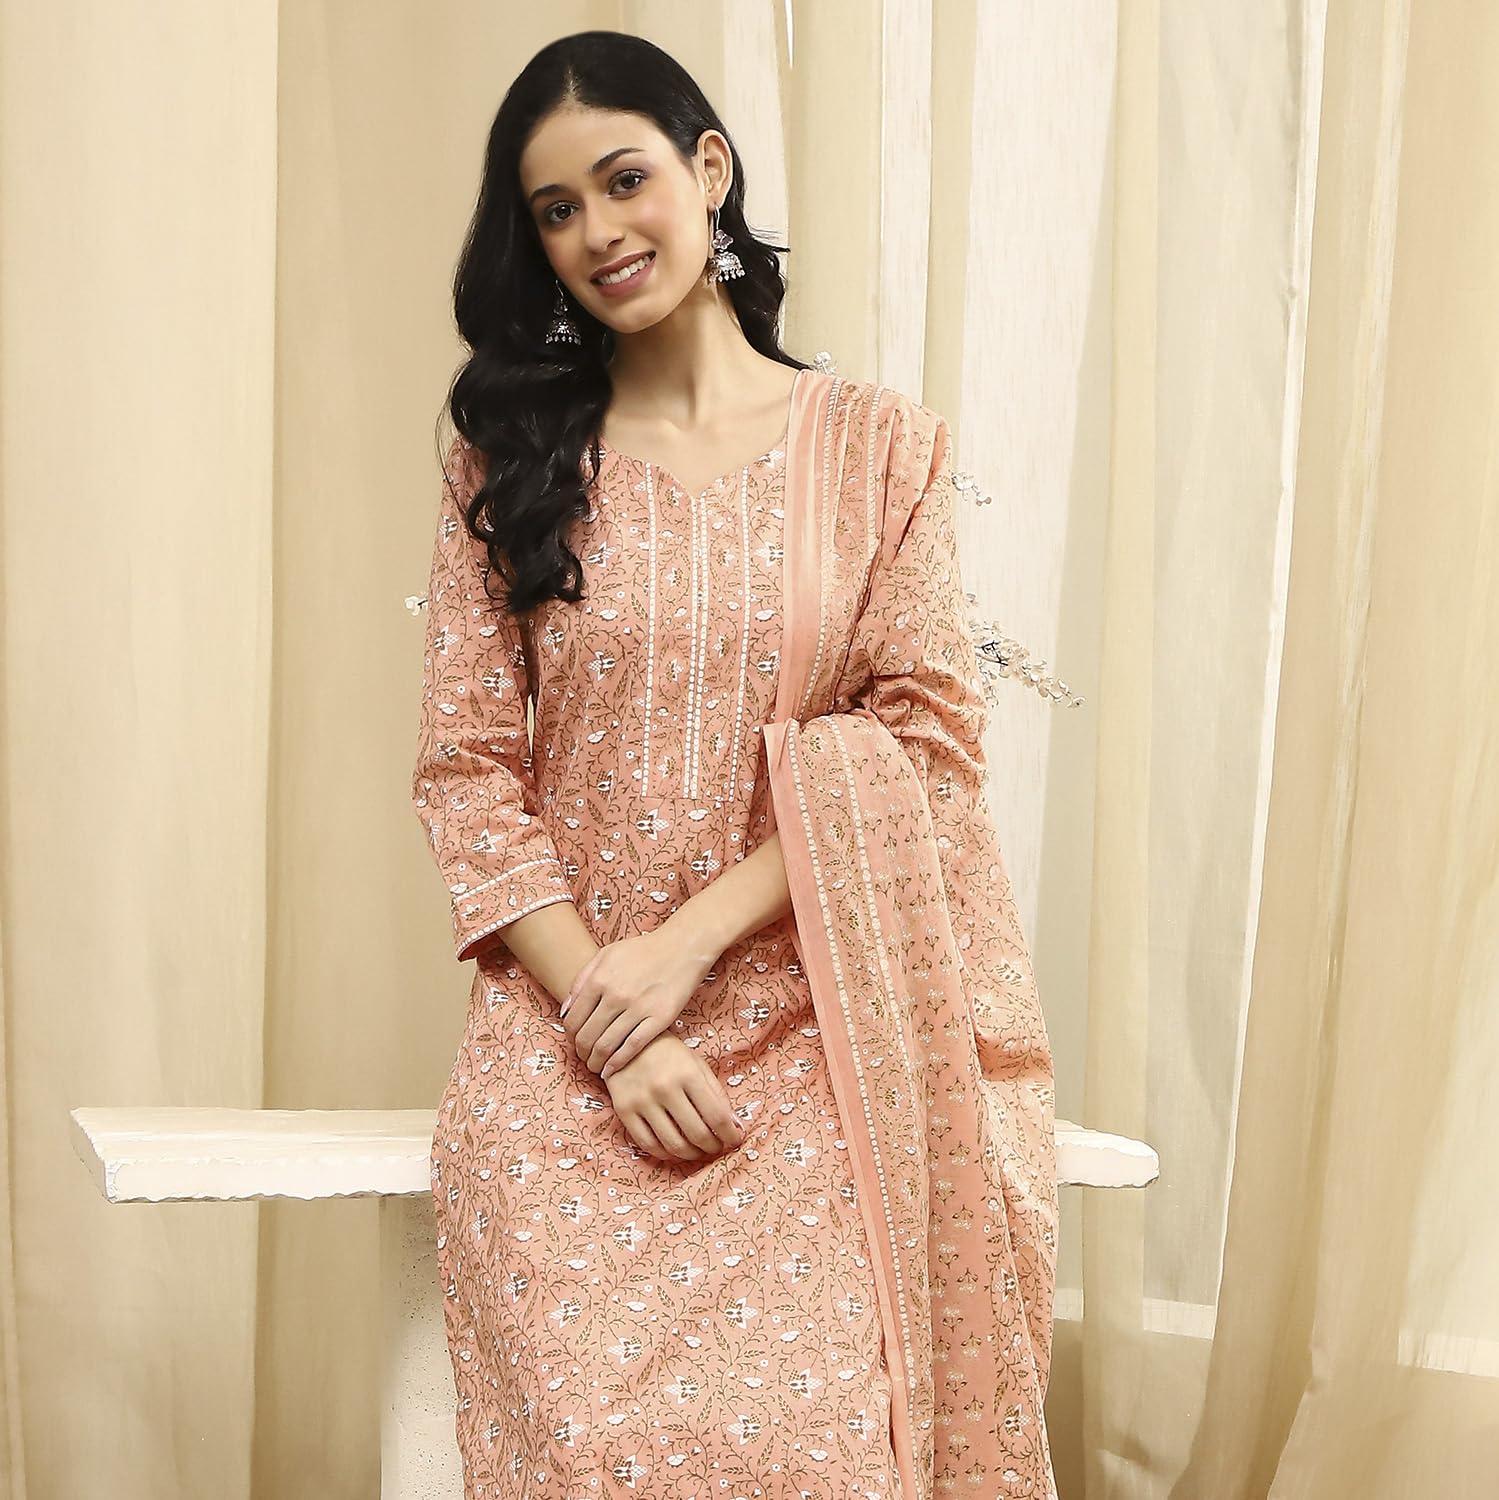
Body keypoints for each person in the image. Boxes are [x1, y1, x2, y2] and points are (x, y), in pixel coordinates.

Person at [411, 29, 1058, 1500]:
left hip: (820, 1029)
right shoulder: (507, 465)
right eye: (555, 210)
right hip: (564, 1034)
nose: (596, 231)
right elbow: (466, 773)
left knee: (829, 1435)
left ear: (708, 170)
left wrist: (683, 952)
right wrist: (609, 1018)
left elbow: (923, 746)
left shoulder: (881, 452)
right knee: (599, 1443)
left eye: (622, 179)